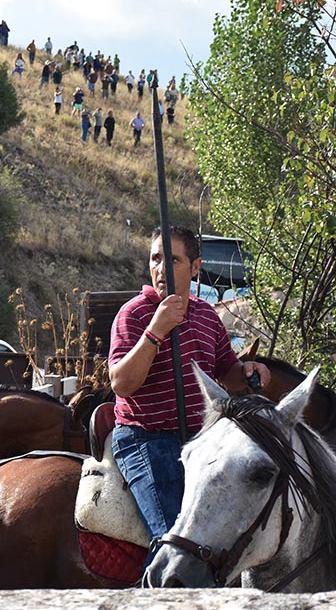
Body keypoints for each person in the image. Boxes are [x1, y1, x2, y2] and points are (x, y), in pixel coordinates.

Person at [109, 226, 270, 544]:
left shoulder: (207, 316)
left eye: (172, 260)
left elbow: (227, 372)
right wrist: (156, 330)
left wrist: (249, 369)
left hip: (201, 441)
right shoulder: (134, 314)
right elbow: (121, 384)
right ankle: (157, 594)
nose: (160, 268)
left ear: (195, 267)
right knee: (178, 544)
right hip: (146, 440)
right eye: (155, 259)